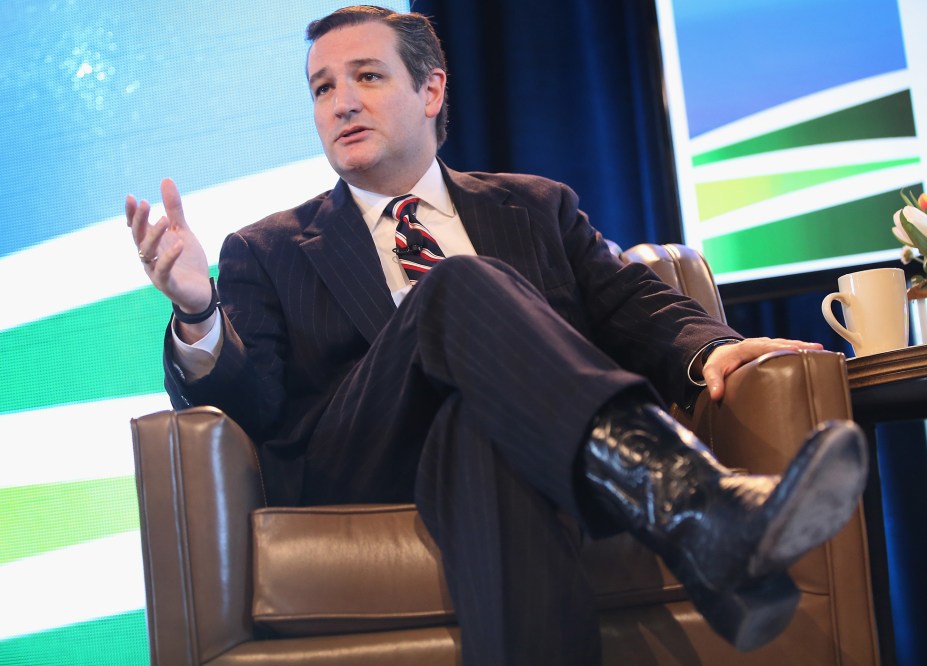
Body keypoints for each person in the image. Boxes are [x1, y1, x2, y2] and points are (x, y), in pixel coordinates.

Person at [125, 6, 867, 664]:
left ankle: (704, 525)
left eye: (367, 77)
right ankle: (691, 502)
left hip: (512, 438)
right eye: (322, 88)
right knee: (456, 283)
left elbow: (633, 305)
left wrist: (714, 346)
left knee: (484, 433)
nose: (342, 102)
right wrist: (197, 310)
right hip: (358, 456)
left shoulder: (536, 208)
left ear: (432, 89)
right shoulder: (269, 248)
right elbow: (249, 401)